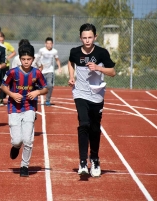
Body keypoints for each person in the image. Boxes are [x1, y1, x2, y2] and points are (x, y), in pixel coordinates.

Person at [67, 23, 116, 177]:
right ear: (80, 38)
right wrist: (71, 76)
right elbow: (70, 62)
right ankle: (82, 161)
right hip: (80, 93)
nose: (87, 40)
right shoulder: (75, 52)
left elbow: (113, 72)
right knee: (84, 123)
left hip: (97, 94)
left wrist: (98, 68)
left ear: (95, 37)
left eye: (90, 37)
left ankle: (94, 158)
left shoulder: (102, 53)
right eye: (84, 38)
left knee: (95, 128)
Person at [0, 44, 48, 177]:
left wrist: (37, 92)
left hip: (30, 108)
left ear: (33, 59)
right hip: (14, 108)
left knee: (28, 139)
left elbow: (45, 88)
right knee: (17, 140)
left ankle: (24, 166)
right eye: (23, 59)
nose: (26, 62)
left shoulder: (36, 73)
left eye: (29, 59)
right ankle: (15, 147)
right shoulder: (12, 72)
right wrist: (12, 95)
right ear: (20, 59)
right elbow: (3, 86)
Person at [36, 37, 62, 106]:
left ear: (52, 44)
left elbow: (57, 59)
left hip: (50, 70)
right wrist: (37, 67)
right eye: (48, 43)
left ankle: (47, 100)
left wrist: (59, 67)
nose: (49, 45)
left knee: (50, 85)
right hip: (41, 71)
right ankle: (33, 98)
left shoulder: (54, 51)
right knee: (38, 86)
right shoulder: (41, 50)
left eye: (50, 43)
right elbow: (37, 59)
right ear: (45, 44)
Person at [0, 32, 16, 106]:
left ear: (4, 39)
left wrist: (8, 57)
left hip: (6, 65)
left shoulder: (7, 45)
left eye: (2, 40)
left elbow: (14, 52)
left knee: (5, 81)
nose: (1, 42)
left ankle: (4, 94)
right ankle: (1, 99)